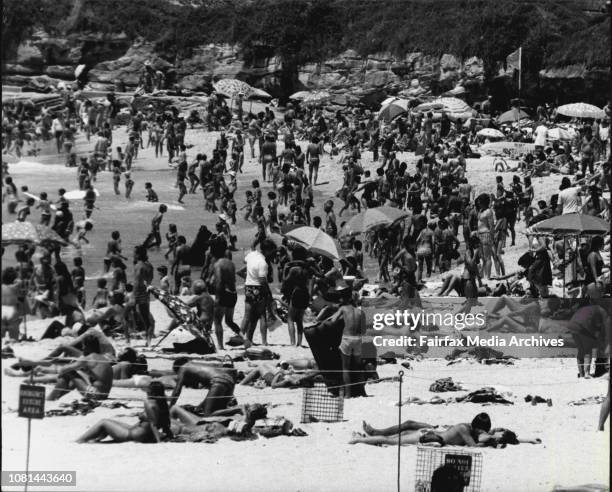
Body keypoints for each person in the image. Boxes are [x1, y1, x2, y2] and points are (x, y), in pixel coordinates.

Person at [77, 381, 171, 443]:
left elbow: (153, 424)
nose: (146, 392)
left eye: (148, 391)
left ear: (152, 393)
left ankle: (80, 440)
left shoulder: (149, 403)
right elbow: (163, 422)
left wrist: (159, 442)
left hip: (134, 435)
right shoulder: (162, 404)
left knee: (103, 422)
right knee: (110, 422)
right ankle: (96, 440)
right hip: (140, 433)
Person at [47, 334, 113, 401]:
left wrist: (60, 362)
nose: (82, 348)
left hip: (95, 395)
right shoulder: (103, 358)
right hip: (105, 395)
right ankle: (57, 397)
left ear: (88, 346)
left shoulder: (89, 358)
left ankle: (50, 398)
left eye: (83, 346)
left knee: (70, 373)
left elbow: (63, 370)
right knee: (76, 377)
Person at [170, 358, 236, 416]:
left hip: (219, 380)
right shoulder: (196, 366)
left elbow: (176, 391)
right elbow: (210, 394)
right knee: (220, 412)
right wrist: (200, 406)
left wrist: (170, 408)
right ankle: (237, 410)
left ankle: (238, 409)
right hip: (230, 380)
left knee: (208, 416)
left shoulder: (183, 368)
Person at [241, 239, 276, 348]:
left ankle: (241, 338)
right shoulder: (263, 263)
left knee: (247, 316)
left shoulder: (252, 255)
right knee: (262, 315)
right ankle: (264, 342)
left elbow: (244, 260)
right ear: (268, 250)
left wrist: (257, 239)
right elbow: (262, 281)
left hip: (248, 287)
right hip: (259, 288)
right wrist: (269, 294)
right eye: (272, 251)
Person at [210, 239, 241, 349]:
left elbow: (219, 281)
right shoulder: (230, 263)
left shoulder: (218, 264)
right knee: (229, 321)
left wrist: (217, 298)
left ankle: (220, 346)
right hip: (233, 293)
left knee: (217, 320)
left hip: (223, 293)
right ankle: (243, 337)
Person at [281, 246, 311, 347]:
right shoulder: (307, 268)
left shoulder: (293, 269)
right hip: (305, 293)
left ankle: (293, 343)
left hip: (297, 292)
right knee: (299, 320)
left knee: (290, 319)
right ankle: (300, 342)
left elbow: (286, 280)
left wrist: (285, 269)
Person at [133, 246, 154, 346]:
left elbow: (137, 283)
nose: (133, 255)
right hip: (146, 293)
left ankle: (148, 341)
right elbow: (149, 280)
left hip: (139, 294)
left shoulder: (138, 266)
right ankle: (148, 339)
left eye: (134, 253)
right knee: (145, 317)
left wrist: (133, 296)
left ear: (138, 254)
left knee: (144, 318)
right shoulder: (149, 266)